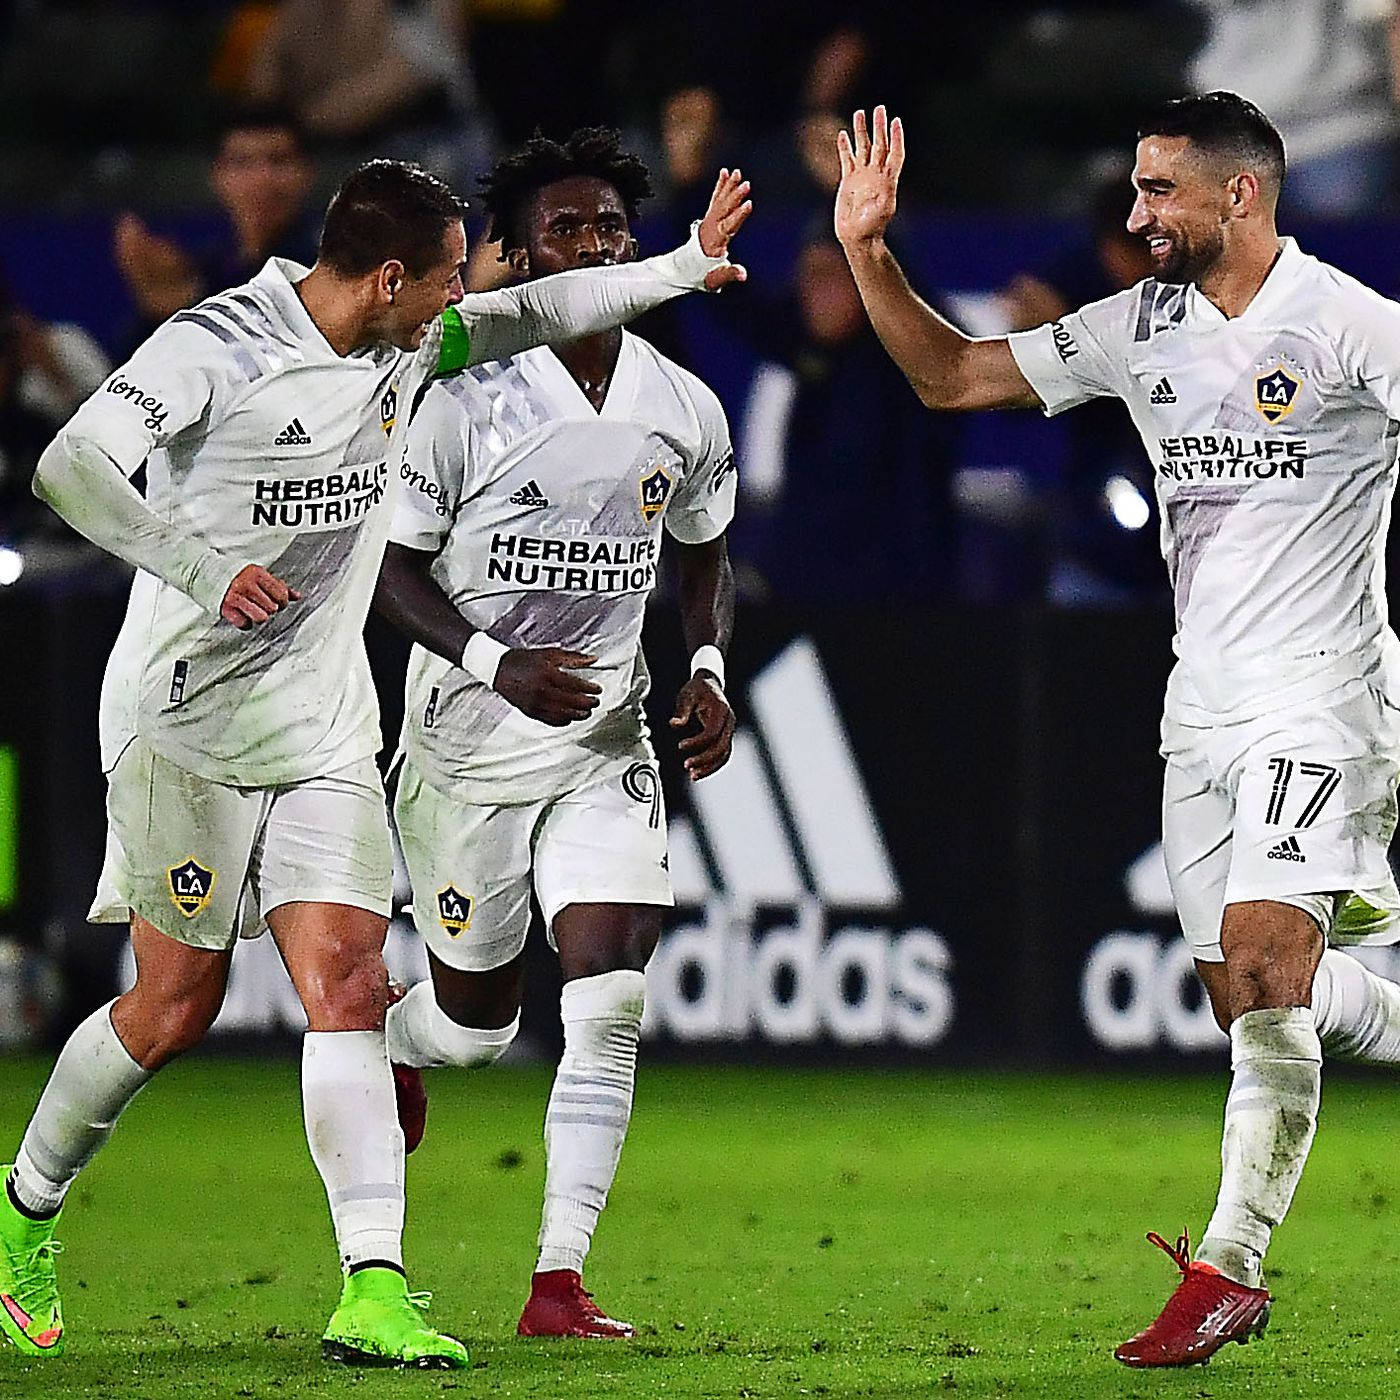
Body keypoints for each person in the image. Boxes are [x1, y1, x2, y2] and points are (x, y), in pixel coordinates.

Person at [0, 156, 750, 1367]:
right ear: (391, 275)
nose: (470, 297)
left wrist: (680, 266)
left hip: (325, 721)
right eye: (452, 275)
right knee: (170, 1007)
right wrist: (195, 565)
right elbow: (69, 467)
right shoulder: (219, 345)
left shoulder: (406, 344)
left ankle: (374, 1286)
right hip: (182, 715)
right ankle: (23, 1200)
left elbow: (534, 310)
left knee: (347, 984)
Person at [833, 96, 1400, 1367]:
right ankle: (1359, 944)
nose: (1135, 213)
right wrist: (871, 247)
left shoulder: (1346, 323)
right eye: (1135, 188)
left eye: (1156, 191)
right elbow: (951, 377)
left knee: (1264, 963)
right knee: (1251, 997)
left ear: (1237, 197)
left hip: (1321, 690)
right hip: (1195, 701)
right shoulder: (1137, 326)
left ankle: (1224, 1269)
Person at [374, 127, 738, 1339]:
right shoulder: (455, 394)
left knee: (610, 992)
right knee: (477, 1026)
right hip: (467, 743)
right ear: (511, 257)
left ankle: (558, 1279)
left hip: (602, 739)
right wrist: (494, 660)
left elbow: (701, 554)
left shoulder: (680, 403)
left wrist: (705, 667)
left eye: (605, 229)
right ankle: (396, 1041)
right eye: (562, 232)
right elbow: (394, 571)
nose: (589, 245)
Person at [113, 107, 318, 349]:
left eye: (278, 161)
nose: (262, 178)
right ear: (218, 177)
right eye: (243, 163)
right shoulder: (205, 275)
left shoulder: (330, 264)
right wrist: (156, 313)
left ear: (307, 172)